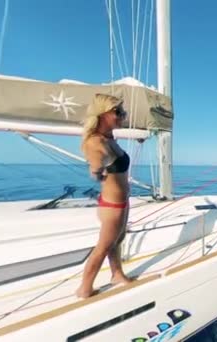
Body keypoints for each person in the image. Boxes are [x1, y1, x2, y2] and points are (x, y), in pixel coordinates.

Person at [76, 93, 134, 298]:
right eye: (117, 112)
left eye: (122, 111)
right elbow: (95, 166)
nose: (122, 115)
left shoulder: (110, 138)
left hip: (121, 202)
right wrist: (97, 170)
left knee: (118, 240)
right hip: (112, 207)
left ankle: (117, 274)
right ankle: (84, 289)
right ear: (102, 114)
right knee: (103, 247)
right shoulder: (95, 142)